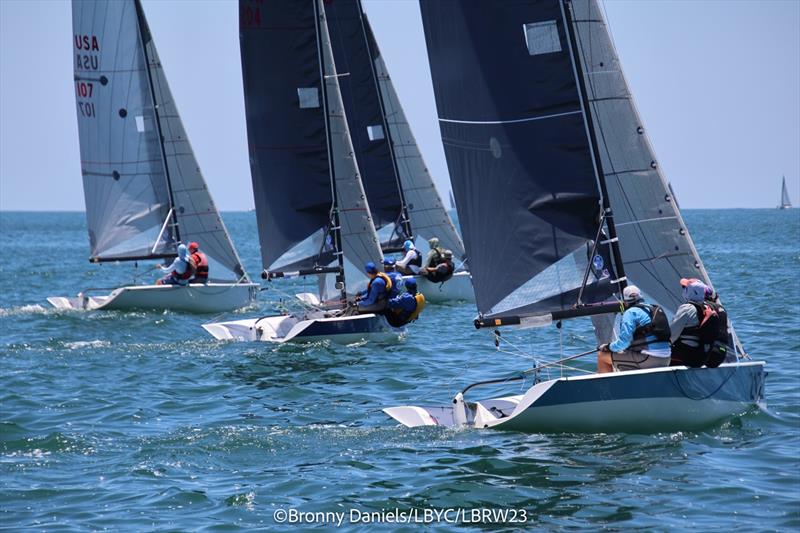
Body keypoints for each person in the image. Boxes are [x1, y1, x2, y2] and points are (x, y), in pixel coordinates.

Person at [597, 285, 671, 373]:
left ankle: (606, 386)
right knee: (625, 359)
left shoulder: (630, 312)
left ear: (625, 301)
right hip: (666, 358)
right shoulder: (653, 309)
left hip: (649, 358)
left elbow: (624, 343)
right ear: (641, 297)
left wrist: (607, 347)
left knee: (602, 356)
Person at [669, 278, 724, 368]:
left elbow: (670, 335)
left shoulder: (687, 308)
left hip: (686, 355)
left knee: (658, 354)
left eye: (685, 288)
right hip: (701, 356)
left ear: (692, 292)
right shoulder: (708, 307)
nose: (683, 290)